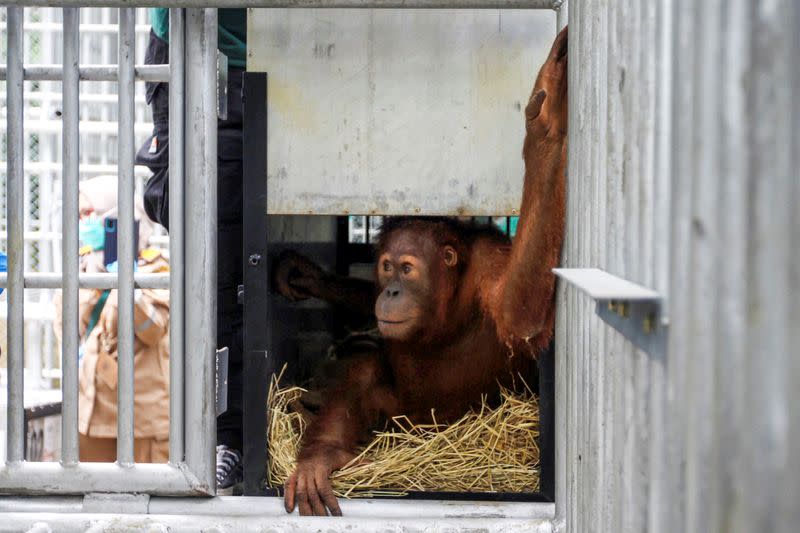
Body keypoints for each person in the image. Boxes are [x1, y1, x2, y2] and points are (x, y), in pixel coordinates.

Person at [135, 8, 246, 492]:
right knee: (214, 253)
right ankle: (226, 438)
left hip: (260, 45)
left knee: (231, 255)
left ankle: (230, 436)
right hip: (194, 43)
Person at [54, 175, 171, 462]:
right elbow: (66, 329)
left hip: (142, 420)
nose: (83, 223)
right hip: (90, 416)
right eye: (80, 215)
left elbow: (153, 330)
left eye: (89, 214)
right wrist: (92, 281)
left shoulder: (157, 269)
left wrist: (126, 284)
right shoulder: (82, 268)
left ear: (116, 215)